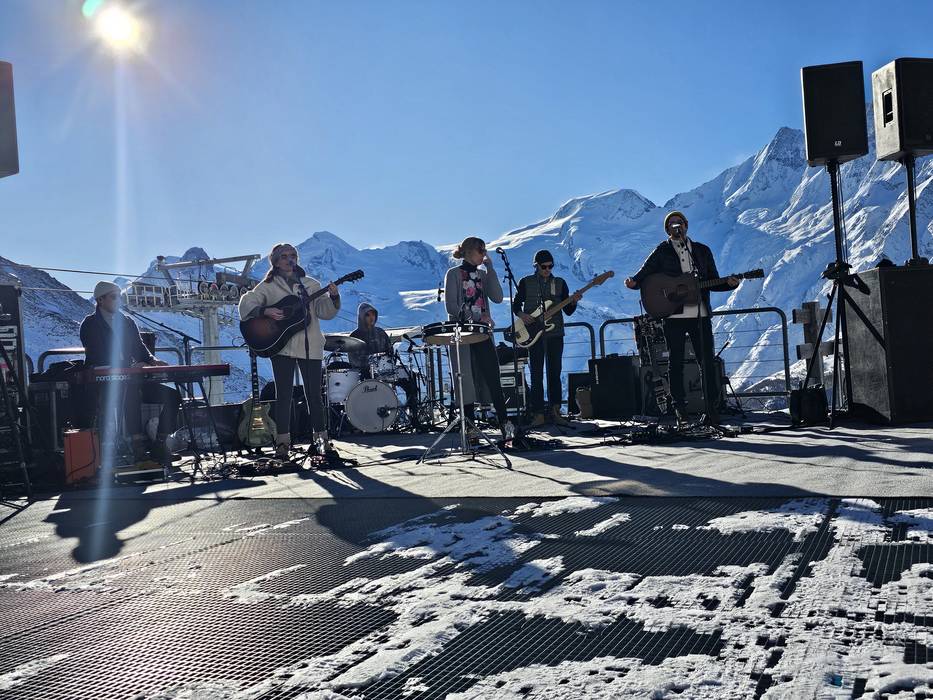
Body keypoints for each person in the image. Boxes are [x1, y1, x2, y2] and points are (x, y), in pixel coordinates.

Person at [624, 210, 739, 425]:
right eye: (672, 224)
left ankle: (711, 409)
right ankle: (680, 409)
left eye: (680, 222)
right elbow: (645, 274)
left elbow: (713, 281)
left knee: (706, 361)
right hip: (673, 315)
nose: (677, 226)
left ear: (686, 226)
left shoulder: (702, 251)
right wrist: (634, 282)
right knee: (675, 362)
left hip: (700, 314)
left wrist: (730, 284)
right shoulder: (662, 251)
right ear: (667, 230)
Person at [238, 243, 341, 460]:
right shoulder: (267, 286)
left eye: (292, 255)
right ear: (275, 261)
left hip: (311, 344)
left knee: (314, 395)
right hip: (282, 345)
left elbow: (324, 312)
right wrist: (264, 310)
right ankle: (282, 443)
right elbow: (246, 303)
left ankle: (321, 440)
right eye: (284, 256)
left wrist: (333, 298)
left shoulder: (310, 284)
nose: (289, 259)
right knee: (283, 395)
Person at [79, 280, 181, 462]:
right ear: (100, 300)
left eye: (119, 296)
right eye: (114, 297)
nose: (118, 300)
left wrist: (152, 360)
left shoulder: (127, 321)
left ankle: (159, 444)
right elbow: (96, 354)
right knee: (131, 392)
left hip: (131, 378)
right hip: (105, 384)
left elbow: (139, 348)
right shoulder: (90, 324)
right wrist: (127, 367)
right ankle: (137, 446)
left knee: (173, 396)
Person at [444, 236, 516, 440]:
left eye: (485, 250)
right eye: (480, 250)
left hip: (482, 332)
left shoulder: (482, 275)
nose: (484, 253)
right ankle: (469, 426)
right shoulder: (453, 274)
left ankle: (505, 423)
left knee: (492, 376)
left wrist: (490, 269)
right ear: (468, 251)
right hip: (462, 333)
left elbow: (498, 297)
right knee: (465, 377)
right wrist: (475, 316)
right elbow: (451, 306)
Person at [512, 250, 581, 426]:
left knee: (554, 373)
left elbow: (568, 311)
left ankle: (555, 411)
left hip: (555, 333)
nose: (547, 270)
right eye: (544, 267)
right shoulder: (526, 282)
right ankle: (538, 414)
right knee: (536, 374)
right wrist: (522, 315)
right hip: (534, 335)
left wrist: (573, 301)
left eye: (551, 266)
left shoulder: (560, 283)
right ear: (536, 266)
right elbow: (516, 304)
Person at [349, 302, 420, 426]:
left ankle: (413, 416)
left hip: (386, 371)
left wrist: (390, 360)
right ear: (361, 317)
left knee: (411, 377)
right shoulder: (355, 336)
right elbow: (353, 360)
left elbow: (390, 352)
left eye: (373, 315)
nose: (371, 317)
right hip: (366, 374)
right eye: (368, 315)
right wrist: (369, 362)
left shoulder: (381, 333)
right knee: (367, 378)